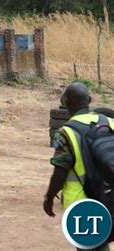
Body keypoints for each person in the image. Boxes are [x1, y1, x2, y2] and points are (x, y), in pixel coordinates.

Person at [43, 82, 111, 250]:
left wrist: (49, 197)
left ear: (66, 101)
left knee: (92, 245)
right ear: (89, 99)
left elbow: (60, 171)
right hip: (111, 197)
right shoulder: (109, 121)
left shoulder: (68, 131)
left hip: (84, 203)